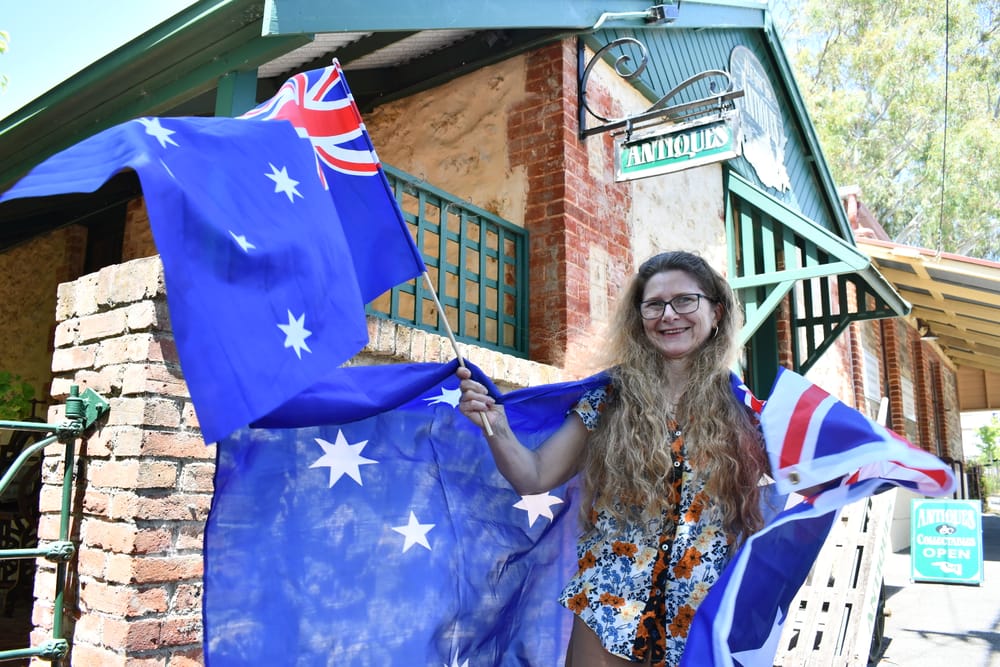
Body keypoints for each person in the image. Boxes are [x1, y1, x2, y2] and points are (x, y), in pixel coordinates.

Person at [457, 251, 770, 666]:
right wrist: (495, 425)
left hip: (701, 617)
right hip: (610, 612)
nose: (668, 315)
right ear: (639, 318)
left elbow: (810, 473)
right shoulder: (610, 399)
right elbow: (534, 476)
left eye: (685, 300)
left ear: (716, 312)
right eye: (654, 304)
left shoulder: (745, 411)